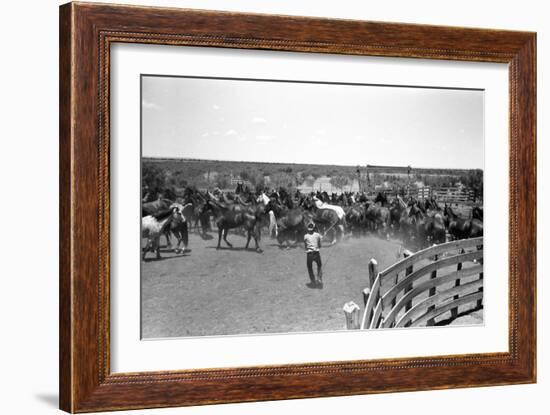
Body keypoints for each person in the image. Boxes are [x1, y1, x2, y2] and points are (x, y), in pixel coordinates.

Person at [304, 222, 323, 288]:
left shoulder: (305, 236)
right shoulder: (318, 235)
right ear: (314, 228)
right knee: (319, 266)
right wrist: (320, 239)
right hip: (316, 253)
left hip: (309, 254)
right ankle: (319, 278)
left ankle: (313, 281)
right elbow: (320, 246)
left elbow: (305, 246)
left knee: (310, 268)